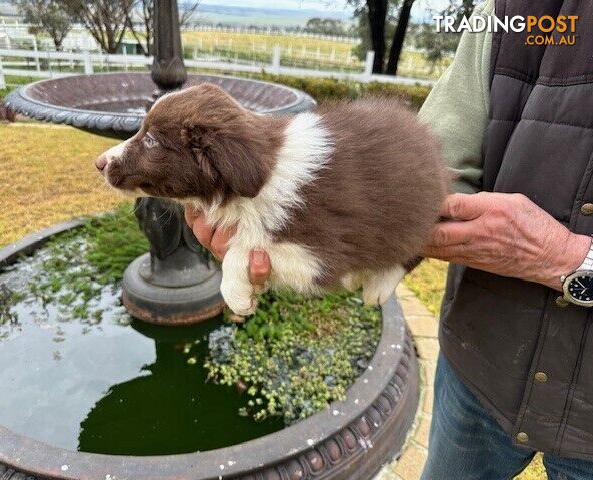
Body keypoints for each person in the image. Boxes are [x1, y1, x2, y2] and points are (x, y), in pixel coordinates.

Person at [186, 0, 593, 477]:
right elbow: (430, 169)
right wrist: (271, 212)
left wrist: (572, 260)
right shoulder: (512, 10)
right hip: (480, 366)